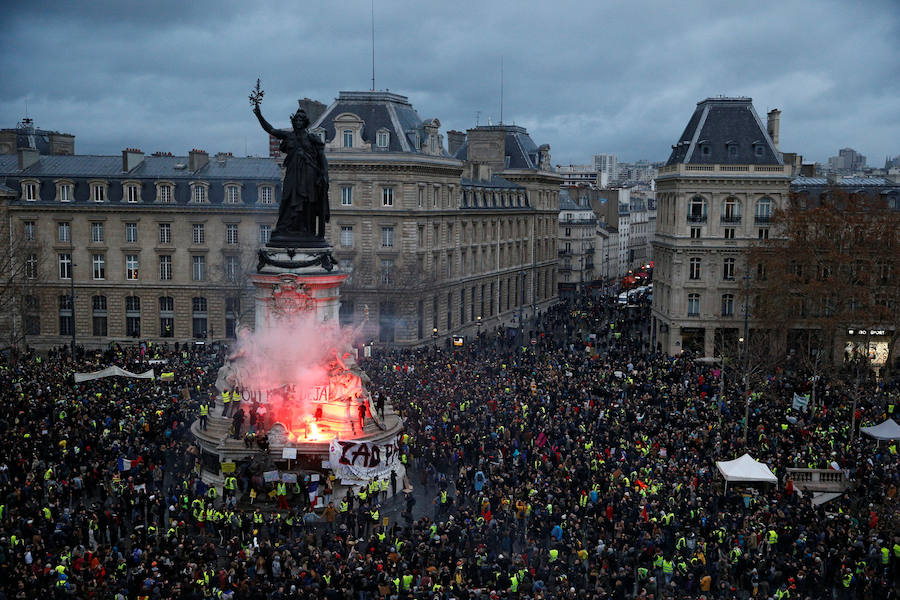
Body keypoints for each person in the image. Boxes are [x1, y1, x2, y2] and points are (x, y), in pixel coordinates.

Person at [251, 92, 329, 241]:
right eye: (296, 119)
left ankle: (307, 229)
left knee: (307, 202)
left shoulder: (312, 138)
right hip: (293, 173)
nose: (298, 121)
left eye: (301, 119)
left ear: (305, 122)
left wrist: (325, 175)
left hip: (308, 173)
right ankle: (287, 227)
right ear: (294, 122)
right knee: (288, 198)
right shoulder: (289, 136)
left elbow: (322, 158)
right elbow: (271, 130)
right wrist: (259, 116)